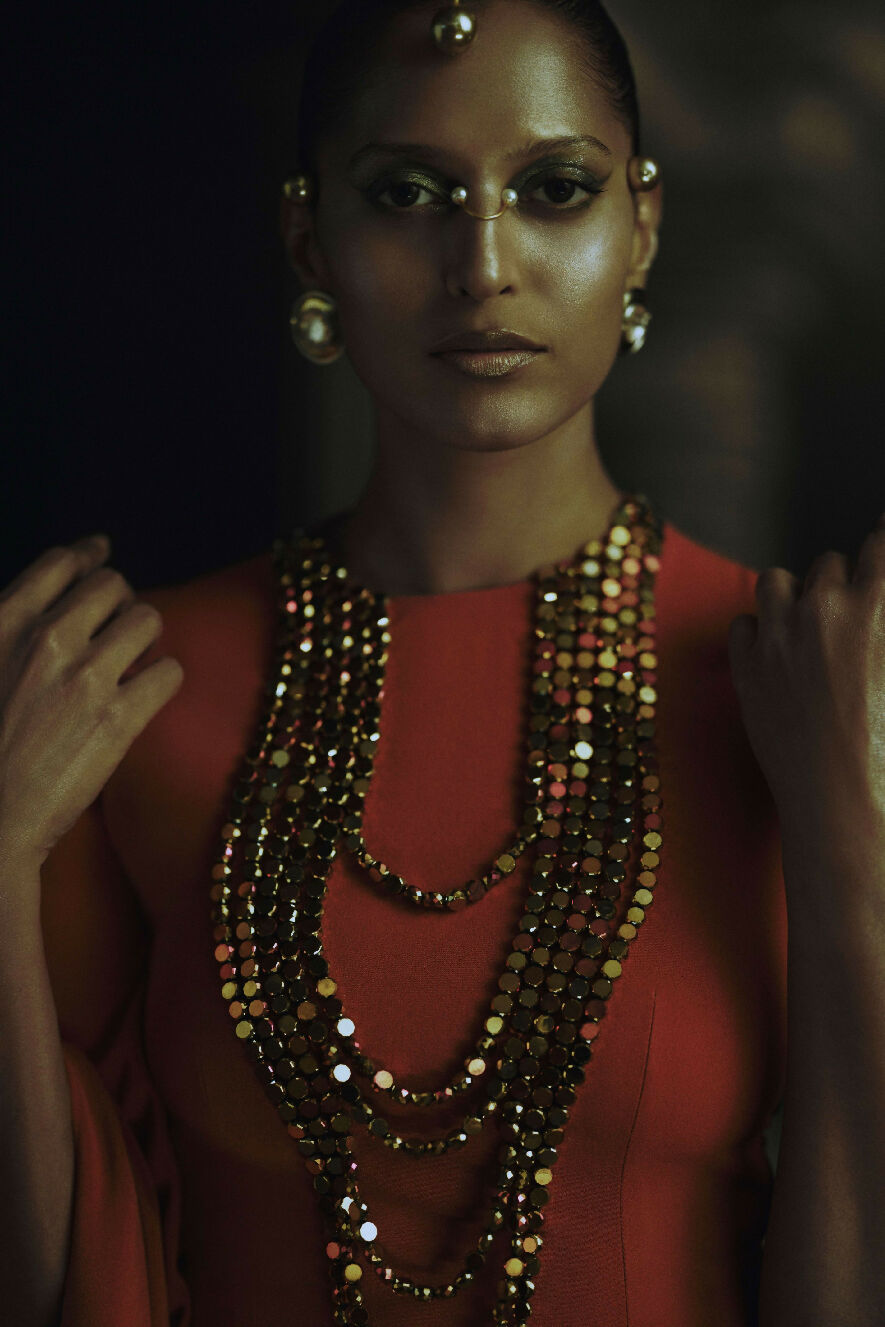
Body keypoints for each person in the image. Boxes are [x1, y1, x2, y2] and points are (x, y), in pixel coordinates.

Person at [2, 1, 884, 1325]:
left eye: (553, 191)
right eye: (409, 193)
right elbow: (48, 1271)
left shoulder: (794, 684)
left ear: (638, 228)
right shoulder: (123, 695)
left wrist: (841, 838)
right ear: (311, 237)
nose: (483, 266)